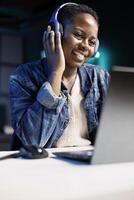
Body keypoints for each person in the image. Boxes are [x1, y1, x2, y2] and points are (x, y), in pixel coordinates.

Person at [9, 2, 110, 150]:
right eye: (78, 35)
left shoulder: (99, 76)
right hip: (44, 164)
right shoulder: (24, 76)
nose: (85, 46)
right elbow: (33, 141)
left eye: (92, 42)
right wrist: (56, 72)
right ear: (56, 32)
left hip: (88, 162)